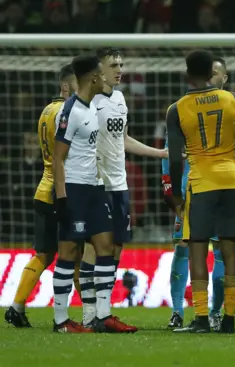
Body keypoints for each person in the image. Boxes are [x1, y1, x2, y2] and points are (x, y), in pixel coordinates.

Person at [78, 48, 167, 328]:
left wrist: (161, 154)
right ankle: (90, 314)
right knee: (95, 248)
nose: (119, 69)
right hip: (97, 185)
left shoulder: (119, 98)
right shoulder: (88, 103)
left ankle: (104, 312)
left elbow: (123, 140)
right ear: (98, 70)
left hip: (120, 185)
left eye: (121, 64)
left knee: (115, 249)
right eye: (112, 64)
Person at [167, 50, 235, 333]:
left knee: (197, 252)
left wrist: (176, 198)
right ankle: (227, 319)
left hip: (200, 183)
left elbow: (176, 158)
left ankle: (201, 317)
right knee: (229, 252)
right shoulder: (232, 100)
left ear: (189, 74)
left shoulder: (177, 108)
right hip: (230, 180)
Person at [52, 55, 136, 333]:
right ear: (93, 78)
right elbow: (58, 158)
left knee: (105, 246)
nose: (106, 78)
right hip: (74, 190)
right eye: (101, 74)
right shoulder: (71, 111)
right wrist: (62, 198)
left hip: (95, 188)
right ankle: (61, 320)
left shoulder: (90, 108)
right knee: (68, 253)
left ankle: (102, 315)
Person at [5, 64, 77, 328]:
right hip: (61, 192)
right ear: (66, 86)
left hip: (43, 190)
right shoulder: (67, 112)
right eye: (77, 86)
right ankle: (94, 313)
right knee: (74, 252)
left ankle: (16, 306)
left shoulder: (46, 110)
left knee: (44, 254)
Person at [162, 56, 229, 330]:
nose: (212, 78)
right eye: (209, 73)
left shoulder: (232, 109)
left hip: (223, 190)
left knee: (221, 252)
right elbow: (171, 152)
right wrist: (171, 189)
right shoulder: (183, 109)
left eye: (217, 74)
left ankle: (213, 312)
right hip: (190, 190)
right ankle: (178, 311)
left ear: (225, 78)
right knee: (183, 248)